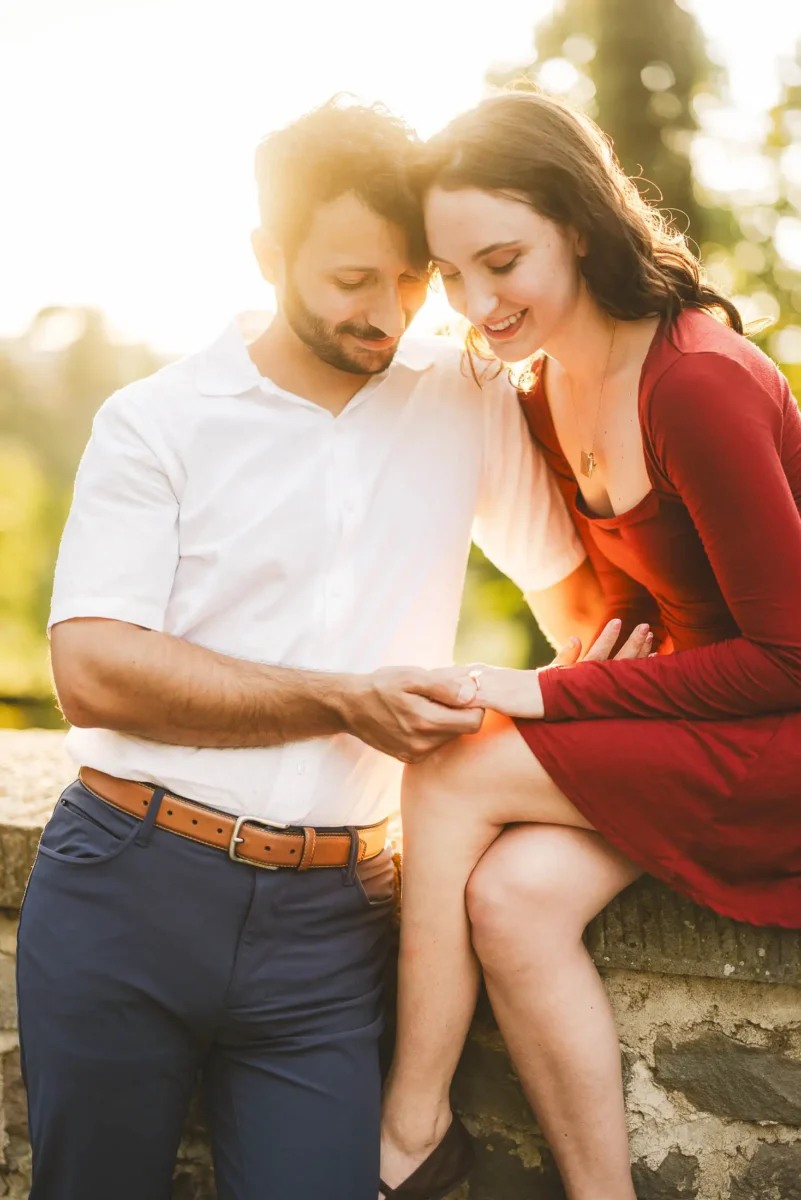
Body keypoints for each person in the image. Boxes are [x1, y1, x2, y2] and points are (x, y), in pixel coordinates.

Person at [16, 96, 608, 1200]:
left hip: (335, 926)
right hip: (129, 891)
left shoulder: (464, 395)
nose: (389, 313)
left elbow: (577, 611)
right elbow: (92, 668)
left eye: (412, 278)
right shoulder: (157, 420)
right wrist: (345, 701)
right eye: (351, 280)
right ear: (267, 255)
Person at [379, 90, 801, 1200]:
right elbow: (632, 613)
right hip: (700, 717)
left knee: (449, 769)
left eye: (501, 262)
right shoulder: (541, 388)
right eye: (450, 273)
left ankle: (407, 1135)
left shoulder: (696, 383)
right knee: (512, 901)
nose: (476, 303)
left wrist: (542, 695)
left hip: (781, 730)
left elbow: (790, 655)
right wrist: (588, 682)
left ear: (576, 222)